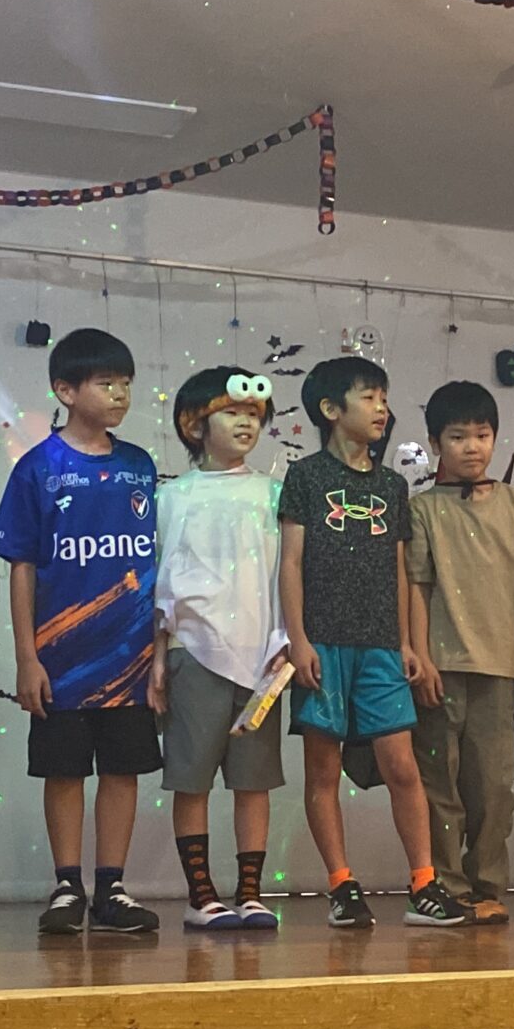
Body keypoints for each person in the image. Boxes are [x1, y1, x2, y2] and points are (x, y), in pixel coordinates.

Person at [279, 355, 472, 928]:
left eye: (384, 398)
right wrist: (298, 639)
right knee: (323, 771)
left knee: (403, 768)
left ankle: (424, 884)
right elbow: (291, 564)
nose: (381, 408)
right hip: (323, 645)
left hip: (382, 646)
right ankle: (341, 886)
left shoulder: (392, 485)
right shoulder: (306, 476)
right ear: (330, 409)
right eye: (368, 398)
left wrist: (408, 642)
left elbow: (400, 571)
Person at [0, 327, 164, 935]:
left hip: (131, 658)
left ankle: (112, 888)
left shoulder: (139, 466)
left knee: (122, 770)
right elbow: (22, 565)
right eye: (106, 383)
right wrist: (26, 657)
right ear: (65, 391)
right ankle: (67, 885)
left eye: (126, 384)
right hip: (59, 662)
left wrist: (158, 653)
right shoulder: (38, 468)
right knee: (64, 771)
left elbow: (154, 562)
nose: (120, 395)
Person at [407, 381, 514, 925]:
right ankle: (445, 885)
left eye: (482, 435)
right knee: (439, 783)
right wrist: (420, 656)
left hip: (502, 669)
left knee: (495, 787)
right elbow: (417, 587)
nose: (472, 447)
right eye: (457, 437)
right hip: (442, 668)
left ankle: (487, 883)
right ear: (434, 444)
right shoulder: (422, 509)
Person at [154, 366, 288, 931]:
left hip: (263, 657)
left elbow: (288, 575)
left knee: (253, 781)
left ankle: (251, 892)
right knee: (191, 779)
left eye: (254, 414)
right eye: (231, 412)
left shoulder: (275, 494)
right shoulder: (172, 496)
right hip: (194, 650)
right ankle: (200, 895)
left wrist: (287, 642)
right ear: (194, 424)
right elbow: (161, 580)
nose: (244, 423)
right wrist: (158, 659)